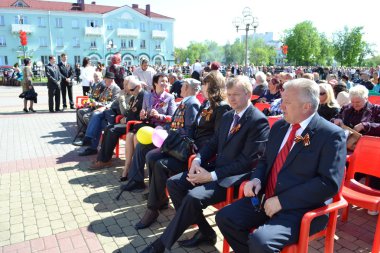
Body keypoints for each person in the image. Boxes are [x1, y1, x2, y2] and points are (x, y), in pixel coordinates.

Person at [139, 75, 270, 253]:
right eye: (229, 94)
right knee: (174, 183)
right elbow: (213, 143)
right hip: (216, 169)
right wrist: (199, 159)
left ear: (248, 94)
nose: (231, 98)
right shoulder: (228, 115)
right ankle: (206, 231)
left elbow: (248, 161)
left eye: (236, 95)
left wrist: (210, 176)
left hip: (234, 178)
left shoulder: (258, 120)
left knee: (193, 197)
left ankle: (161, 245)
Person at [216, 78, 346, 253]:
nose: (281, 106)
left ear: (306, 106)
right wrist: (256, 179)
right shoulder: (280, 126)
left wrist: (282, 201)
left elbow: (328, 184)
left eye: (287, 102)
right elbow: (265, 160)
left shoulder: (330, 135)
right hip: (266, 198)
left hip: (300, 208)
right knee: (225, 217)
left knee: (261, 242)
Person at [134, 71, 231, 229]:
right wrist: (183, 143)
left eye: (204, 84)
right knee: (155, 159)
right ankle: (155, 206)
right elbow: (192, 129)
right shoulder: (206, 104)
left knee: (161, 164)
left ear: (212, 86)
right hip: (191, 151)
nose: (201, 88)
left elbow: (217, 140)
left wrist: (197, 153)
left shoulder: (221, 107)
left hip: (202, 158)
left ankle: (154, 209)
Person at [119, 73, 176, 180]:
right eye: (162, 81)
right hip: (147, 125)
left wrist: (159, 116)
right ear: (155, 83)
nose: (165, 83)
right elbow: (143, 113)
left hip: (160, 129)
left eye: (166, 81)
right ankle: (129, 168)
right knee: (130, 135)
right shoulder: (148, 96)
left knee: (136, 138)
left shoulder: (169, 98)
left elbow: (172, 118)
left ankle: (138, 171)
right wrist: (143, 114)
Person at [90, 77, 145, 169]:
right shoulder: (135, 95)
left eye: (131, 89)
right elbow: (128, 112)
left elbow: (140, 116)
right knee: (108, 128)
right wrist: (125, 117)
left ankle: (104, 160)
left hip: (134, 125)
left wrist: (126, 119)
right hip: (127, 122)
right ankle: (102, 158)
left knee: (112, 130)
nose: (130, 91)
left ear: (138, 86)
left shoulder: (143, 96)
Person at [77, 71, 121, 156]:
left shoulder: (116, 89)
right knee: (97, 121)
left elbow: (112, 103)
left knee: (95, 115)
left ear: (111, 80)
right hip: (102, 113)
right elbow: (99, 98)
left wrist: (99, 105)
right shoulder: (106, 87)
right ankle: (92, 147)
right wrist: (94, 102)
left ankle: (88, 138)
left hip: (110, 114)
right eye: (105, 79)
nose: (104, 81)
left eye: (106, 80)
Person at [75, 71, 106, 137]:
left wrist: (91, 100)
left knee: (85, 115)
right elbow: (94, 95)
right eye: (94, 76)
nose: (95, 78)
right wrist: (90, 97)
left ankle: (92, 132)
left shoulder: (102, 85)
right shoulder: (96, 84)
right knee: (79, 111)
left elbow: (98, 98)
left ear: (101, 77)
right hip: (93, 104)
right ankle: (83, 131)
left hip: (98, 106)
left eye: (97, 76)